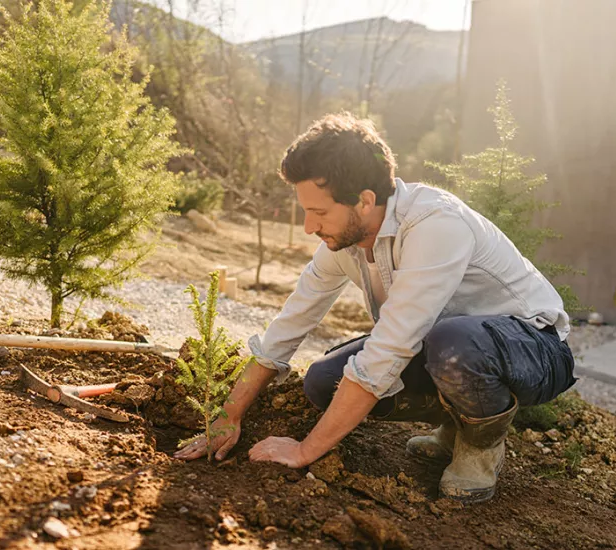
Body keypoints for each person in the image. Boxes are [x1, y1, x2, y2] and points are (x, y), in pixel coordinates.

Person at [175, 112, 576, 504]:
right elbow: (288, 326)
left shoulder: (435, 224)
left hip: (534, 348)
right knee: (323, 381)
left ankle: (480, 445)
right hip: (443, 344)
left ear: (365, 201)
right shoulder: (344, 241)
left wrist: (304, 450)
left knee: (452, 343)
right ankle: (455, 424)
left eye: (318, 212)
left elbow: (389, 350)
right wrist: (228, 415)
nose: (308, 227)